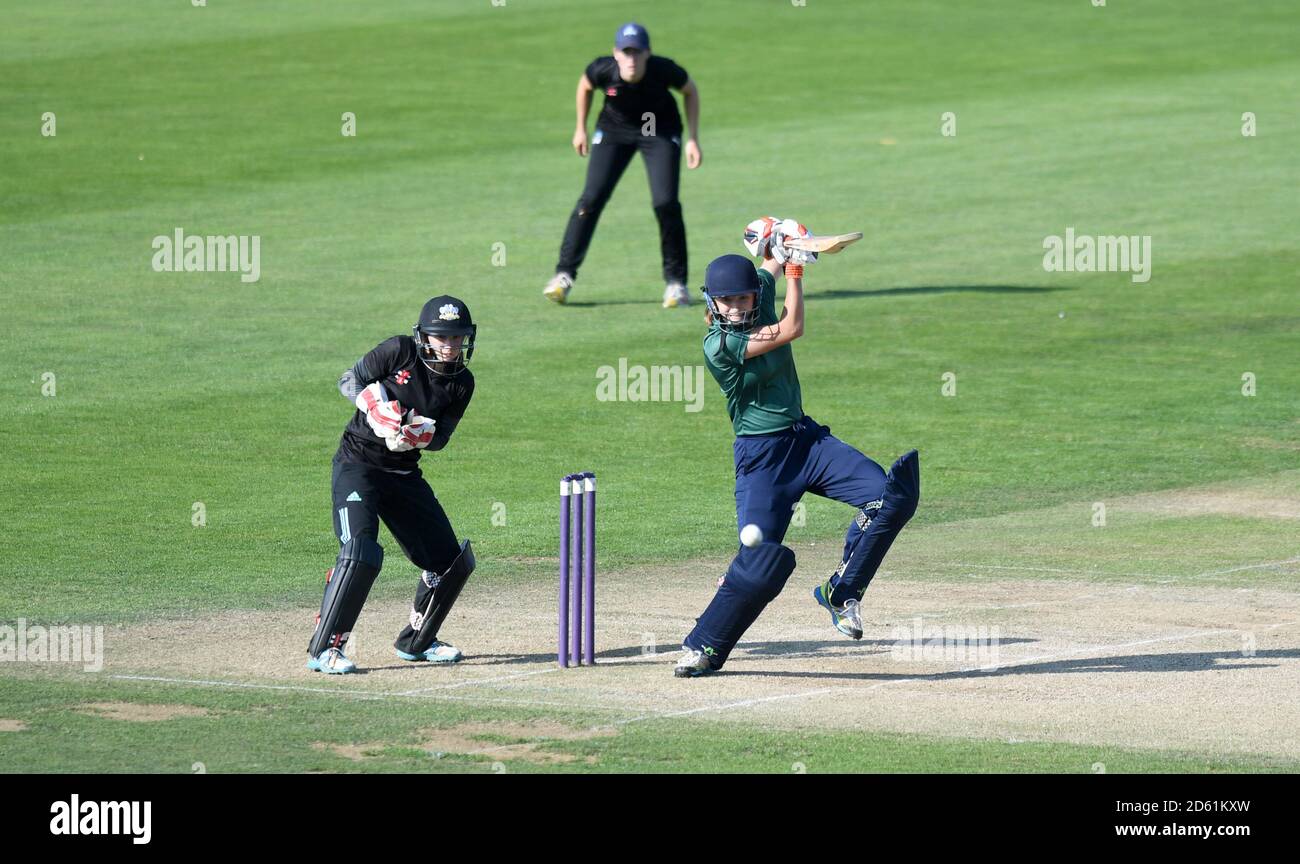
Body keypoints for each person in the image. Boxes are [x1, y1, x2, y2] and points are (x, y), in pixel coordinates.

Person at [674, 219, 921, 678]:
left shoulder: (758, 292)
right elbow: (791, 329)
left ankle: (842, 591)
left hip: (807, 442)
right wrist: (797, 273)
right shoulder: (719, 344)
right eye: (726, 300)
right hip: (761, 461)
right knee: (758, 564)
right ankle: (703, 645)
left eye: (743, 297)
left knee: (891, 496)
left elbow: (765, 264)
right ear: (712, 303)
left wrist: (781, 240)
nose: (737, 306)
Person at [306, 296, 478, 674]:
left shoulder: (462, 383)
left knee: (449, 562)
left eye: (456, 338)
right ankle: (326, 648)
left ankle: (417, 641)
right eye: (440, 337)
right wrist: (374, 408)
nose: (449, 346)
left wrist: (420, 435)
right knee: (360, 552)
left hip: (402, 473)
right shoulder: (399, 350)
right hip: (358, 465)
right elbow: (349, 380)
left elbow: (441, 438)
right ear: (424, 336)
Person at [543, 22, 702, 309]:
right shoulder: (603, 69)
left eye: (637, 52)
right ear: (616, 53)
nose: (631, 59)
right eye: (625, 52)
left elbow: (690, 90)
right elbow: (585, 84)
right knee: (591, 199)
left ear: (647, 53)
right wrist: (580, 128)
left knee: (666, 203)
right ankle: (563, 276)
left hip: (659, 130)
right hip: (615, 131)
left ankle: (676, 284)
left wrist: (693, 139)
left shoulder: (663, 69)